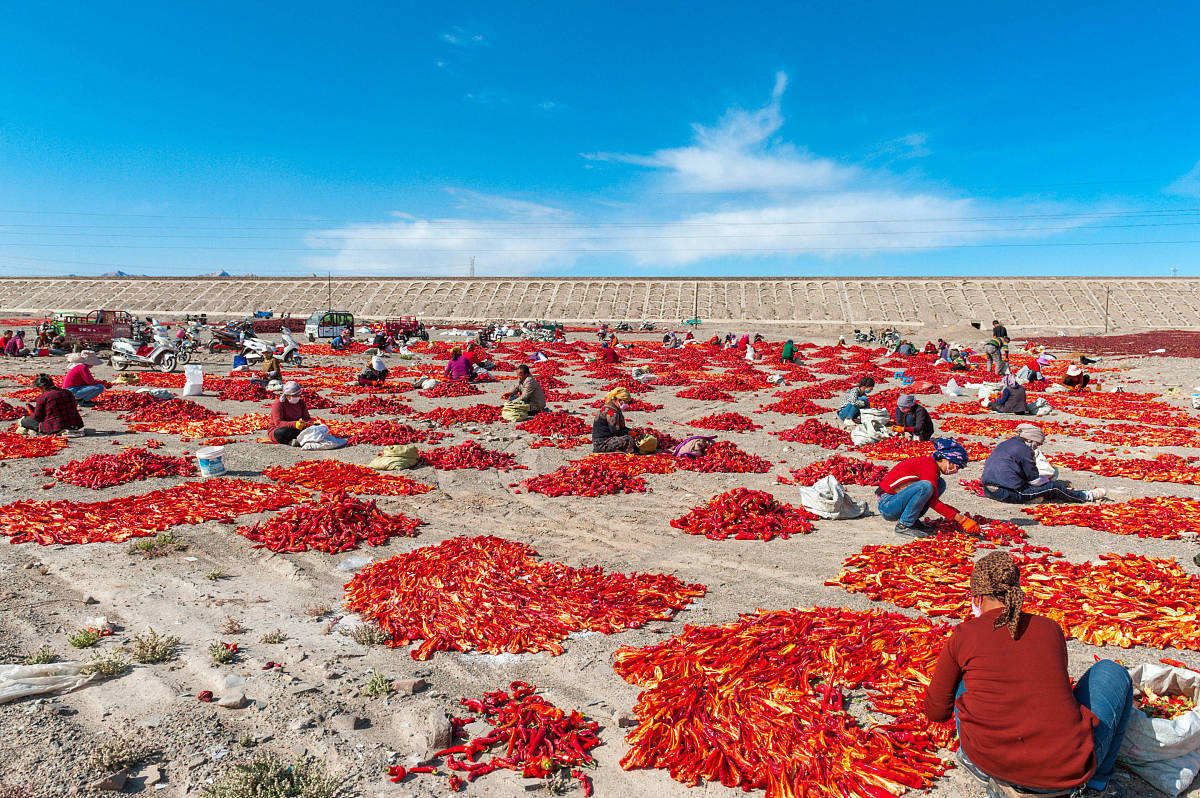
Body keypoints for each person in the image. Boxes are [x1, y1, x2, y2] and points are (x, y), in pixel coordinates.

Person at [924, 551, 1132, 797]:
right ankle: (1096, 784)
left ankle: (987, 771)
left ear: (976, 597)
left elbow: (936, 712)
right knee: (1113, 671)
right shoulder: (1050, 628)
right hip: (1067, 769)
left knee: (965, 671)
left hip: (992, 761)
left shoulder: (964, 635)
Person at [875, 438, 978, 538]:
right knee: (925, 487)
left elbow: (932, 498)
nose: (956, 471)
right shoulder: (928, 466)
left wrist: (950, 511)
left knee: (939, 484)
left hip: (894, 502)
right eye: (957, 467)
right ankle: (904, 525)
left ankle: (912, 520)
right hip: (887, 505)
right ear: (947, 460)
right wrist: (961, 519)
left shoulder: (932, 466)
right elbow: (933, 501)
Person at [981, 424, 1105, 504]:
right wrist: (1046, 480)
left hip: (988, 490)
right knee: (1053, 487)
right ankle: (1085, 496)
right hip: (1006, 493)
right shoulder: (1025, 450)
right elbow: (1034, 481)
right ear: (1029, 440)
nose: (1036, 448)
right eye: (1037, 444)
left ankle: (1034, 498)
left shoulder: (1005, 444)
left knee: (1041, 489)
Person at [592, 387, 636, 453]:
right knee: (629, 439)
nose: (627, 405)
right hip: (602, 443)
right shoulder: (612, 412)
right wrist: (629, 433)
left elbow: (621, 428)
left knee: (632, 437)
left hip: (604, 440)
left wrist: (631, 431)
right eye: (626, 402)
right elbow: (616, 431)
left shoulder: (614, 408)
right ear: (619, 401)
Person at [268, 381, 311, 445]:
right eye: (294, 395)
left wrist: (309, 423)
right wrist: (295, 424)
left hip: (297, 429)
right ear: (287, 395)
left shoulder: (301, 402)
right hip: (280, 429)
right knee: (281, 432)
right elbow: (278, 423)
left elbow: (307, 418)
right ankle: (301, 438)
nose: (297, 397)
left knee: (318, 427)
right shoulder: (278, 404)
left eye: (298, 395)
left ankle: (298, 439)